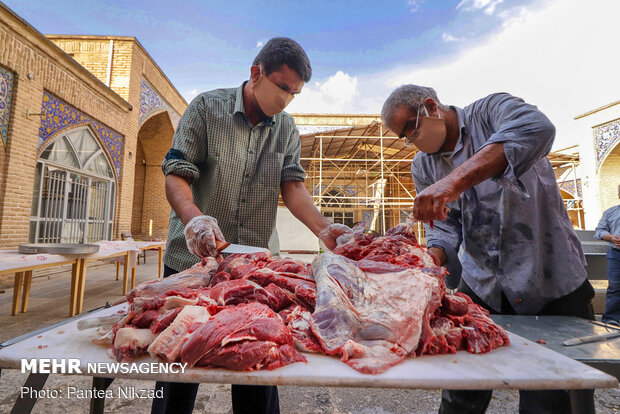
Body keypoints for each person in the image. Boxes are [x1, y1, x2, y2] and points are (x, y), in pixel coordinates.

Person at [154, 37, 349, 414]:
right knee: (178, 366)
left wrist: (324, 229)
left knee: (257, 369)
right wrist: (194, 220)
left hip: (254, 269)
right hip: (194, 261)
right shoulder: (207, 108)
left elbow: (292, 187)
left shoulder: (286, 128)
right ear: (256, 73)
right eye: (282, 88)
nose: (287, 100)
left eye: (294, 93)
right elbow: (176, 175)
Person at [381, 85, 595, 414]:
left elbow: (539, 128)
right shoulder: (424, 166)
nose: (411, 141)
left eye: (411, 128)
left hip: (549, 278)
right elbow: (446, 226)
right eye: (404, 137)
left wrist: (453, 181)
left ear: (430, 106)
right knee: (461, 390)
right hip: (483, 284)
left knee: (550, 396)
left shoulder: (492, 113)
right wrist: (431, 258)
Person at [594, 185, 620, 325]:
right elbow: (599, 231)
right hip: (616, 255)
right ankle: (611, 320)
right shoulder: (610, 213)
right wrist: (612, 238)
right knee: (615, 287)